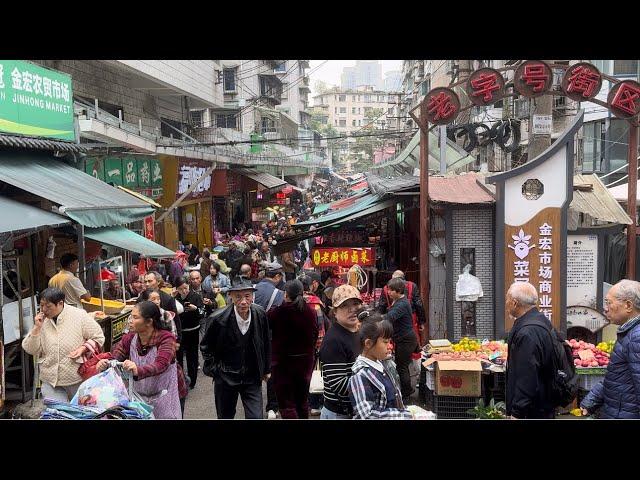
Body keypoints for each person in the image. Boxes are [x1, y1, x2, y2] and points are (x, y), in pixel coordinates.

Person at [200, 278, 272, 419]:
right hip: (226, 377)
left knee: (256, 416)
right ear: (231, 297)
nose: (243, 301)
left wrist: (266, 369)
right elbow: (205, 346)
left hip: (252, 376)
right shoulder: (217, 319)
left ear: (252, 296)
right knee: (225, 416)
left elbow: (266, 342)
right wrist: (216, 370)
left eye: (247, 296)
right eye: (238, 297)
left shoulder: (260, 314)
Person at [96, 301, 182, 419]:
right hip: (138, 398)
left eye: (135, 317)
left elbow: (161, 364)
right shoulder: (130, 338)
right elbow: (116, 356)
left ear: (149, 322)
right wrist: (105, 363)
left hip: (164, 395)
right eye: (131, 316)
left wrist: (137, 370)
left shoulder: (167, 338)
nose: (130, 320)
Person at [22, 287, 105, 402]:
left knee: (78, 413)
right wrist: (36, 328)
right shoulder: (41, 321)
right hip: (50, 379)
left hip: (76, 378)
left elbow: (98, 337)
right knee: (57, 413)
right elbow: (30, 349)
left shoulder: (79, 315)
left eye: (48, 306)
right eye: (41, 305)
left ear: (60, 303)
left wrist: (83, 348)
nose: (44, 309)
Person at [581, 279, 640, 418]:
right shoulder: (628, 333)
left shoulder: (636, 337)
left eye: (609, 302)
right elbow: (617, 376)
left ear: (628, 305)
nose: (605, 308)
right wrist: (592, 400)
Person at [267, 280, 318, 419]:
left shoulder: (277, 312)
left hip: (283, 364)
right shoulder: (311, 312)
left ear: (286, 294)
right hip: (305, 363)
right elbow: (315, 335)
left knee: (286, 403)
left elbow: (266, 328)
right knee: (302, 400)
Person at [505, 282, 556, 419]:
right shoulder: (541, 320)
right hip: (544, 403)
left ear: (515, 303)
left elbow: (527, 376)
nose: (506, 303)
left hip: (532, 410)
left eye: (507, 299)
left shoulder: (527, 333)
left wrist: (517, 412)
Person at [348, 318, 412, 419]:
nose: (390, 346)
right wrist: (405, 415)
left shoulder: (380, 364)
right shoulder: (360, 376)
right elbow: (367, 415)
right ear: (368, 343)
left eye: (390, 341)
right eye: (385, 342)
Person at [319, 284, 363, 419]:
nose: (352, 309)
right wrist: (372, 381)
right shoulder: (334, 340)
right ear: (335, 311)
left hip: (356, 410)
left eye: (355, 304)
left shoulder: (359, 331)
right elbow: (339, 384)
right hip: (340, 414)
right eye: (344, 306)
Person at [253, 262, 285, 419]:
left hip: (251, 336)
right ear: (277, 276)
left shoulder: (251, 291)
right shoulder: (279, 294)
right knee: (271, 371)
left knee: (253, 370)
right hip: (271, 338)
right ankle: (272, 407)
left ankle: (253, 406)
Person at [383, 278, 419, 403]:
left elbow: (389, 317)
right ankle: (406, 390)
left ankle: (406, 393)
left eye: (391, 290)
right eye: (388, 289)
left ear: (398, 291)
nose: (388, 292)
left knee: (402, 367)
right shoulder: (399, 301)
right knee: (402, 366)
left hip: (406, 340)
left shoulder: (402, 304)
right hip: (404, 338)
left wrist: (377, 319)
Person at [379, 270, 427, 346]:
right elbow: (418, 304)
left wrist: (379, 320)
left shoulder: (386, 288)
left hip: (393, 319)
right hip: (410, 318)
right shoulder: (412, 285)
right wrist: (421, 321)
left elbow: (381, 306)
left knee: (395, 343)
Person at [173, 276, 204, 389]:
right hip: (180, 332)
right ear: (177, 289)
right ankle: (181, 381)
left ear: (189, 286)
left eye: (185, 288)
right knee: (179, 357)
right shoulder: (175, 298)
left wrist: (195, 308)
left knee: (193, 356)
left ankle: (192, 381)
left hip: (193, 330)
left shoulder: (195, 296)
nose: (184, 291)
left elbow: (202, 312)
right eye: (181, 289)